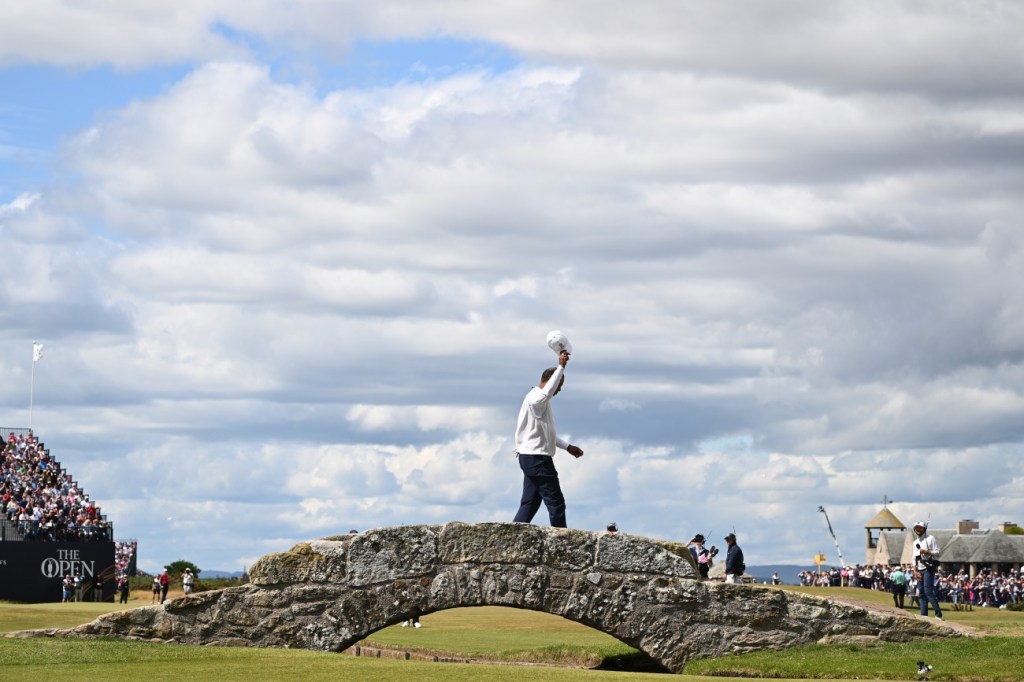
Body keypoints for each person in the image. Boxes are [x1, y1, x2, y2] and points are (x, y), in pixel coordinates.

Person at [511, 350, 584, 528]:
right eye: (559, 385)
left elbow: (546, 434)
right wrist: (561, 367)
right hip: (537, 459)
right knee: (556, 502)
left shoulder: (539, 402)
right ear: (552, 381)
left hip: (530, 457)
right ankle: (561, 540)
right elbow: (547, 393)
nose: (559, 389)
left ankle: (512, 535)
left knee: (530, 503)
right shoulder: (537, 399)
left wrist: (567, 447)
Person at [912, 521, 944, 620]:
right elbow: (914, 558)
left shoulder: (930, 538)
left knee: (928, 592)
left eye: (920, 528)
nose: (918, 530)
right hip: (919, 569)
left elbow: (938, 552)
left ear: (924, 529)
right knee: (921, 593)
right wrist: (915, 571)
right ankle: (924, 615)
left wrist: (927, 552)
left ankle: (938, 614)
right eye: (916, 528)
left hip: (928, 567)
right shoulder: (915, 542)